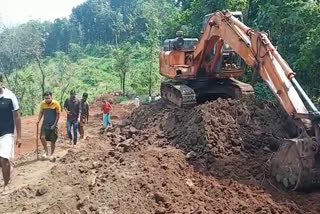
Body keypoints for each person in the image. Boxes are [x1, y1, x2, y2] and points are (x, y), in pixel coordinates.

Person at [0, 75, 21, 192]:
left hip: (7, 132)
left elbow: (17, 117)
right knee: (2, 161)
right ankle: (8, 167)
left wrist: (20, 136)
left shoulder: (10, 96)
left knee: (3, 159)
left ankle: (6, 185)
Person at [37, 91, 60, 159]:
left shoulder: (56, 104)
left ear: (51, 97)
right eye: (46, 98)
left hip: (53, 124)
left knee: (53, 140)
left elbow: (58, 115)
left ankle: (52, 154)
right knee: (42, 137)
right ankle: (46, 151)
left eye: (48, 98)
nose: (47, 100)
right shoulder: (43, 103)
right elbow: (41, 112)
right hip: (45, 124)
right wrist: (38, 120)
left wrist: (54, 125)